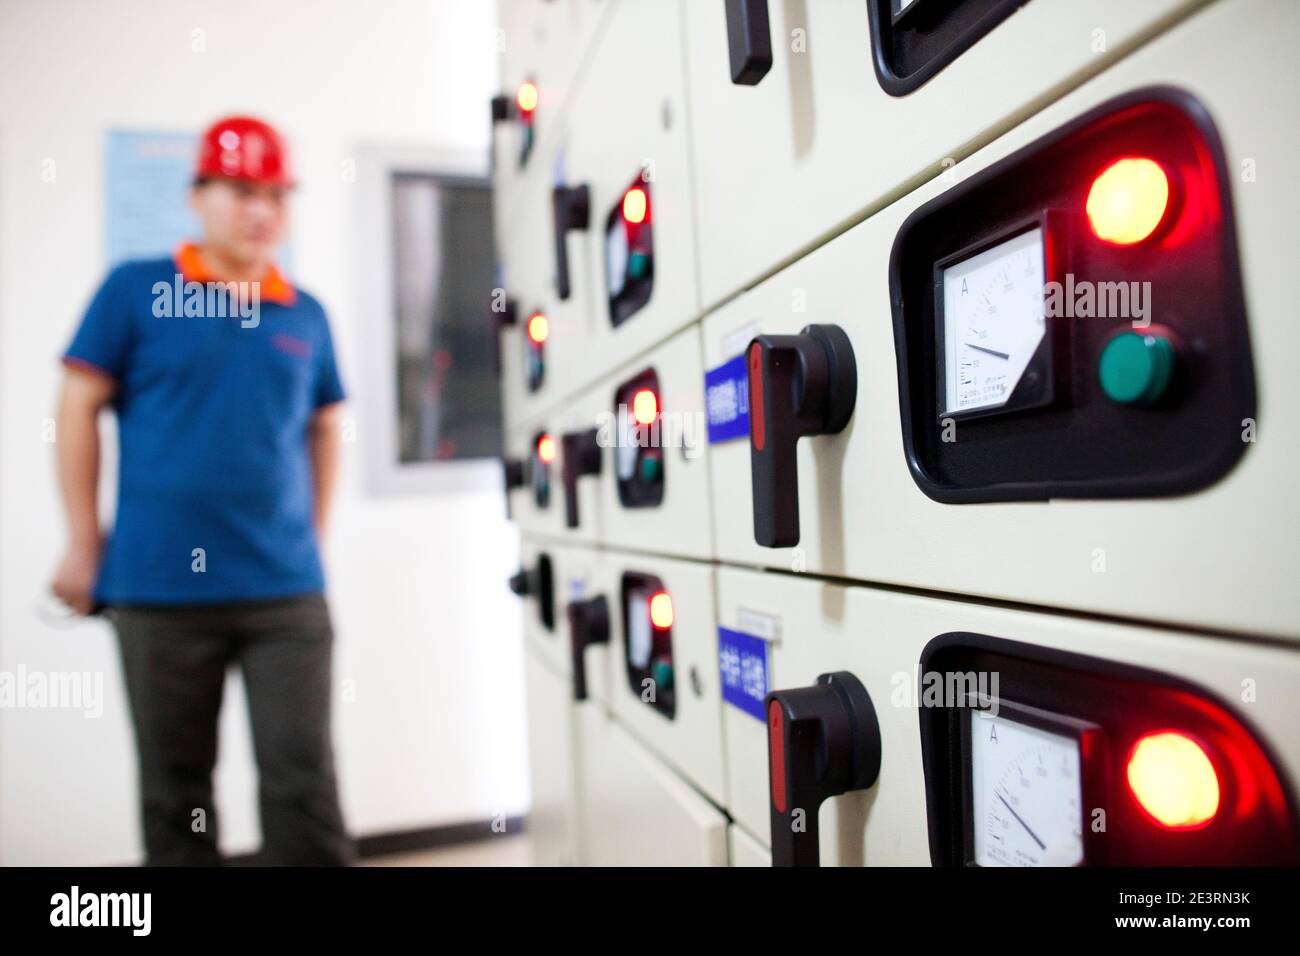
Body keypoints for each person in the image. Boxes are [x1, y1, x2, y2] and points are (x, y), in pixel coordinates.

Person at [50, 116, 353, 866]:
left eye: (277, 195)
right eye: (242, 191)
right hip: (157, 590)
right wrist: (84, 546)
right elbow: (76, 408)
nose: (261, 211)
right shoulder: (135, 291)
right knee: (176, 795)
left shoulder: (305, 314)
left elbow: (325, 427)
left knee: (302, 782)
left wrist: (311, 537)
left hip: (284, 592)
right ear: (198, 195)